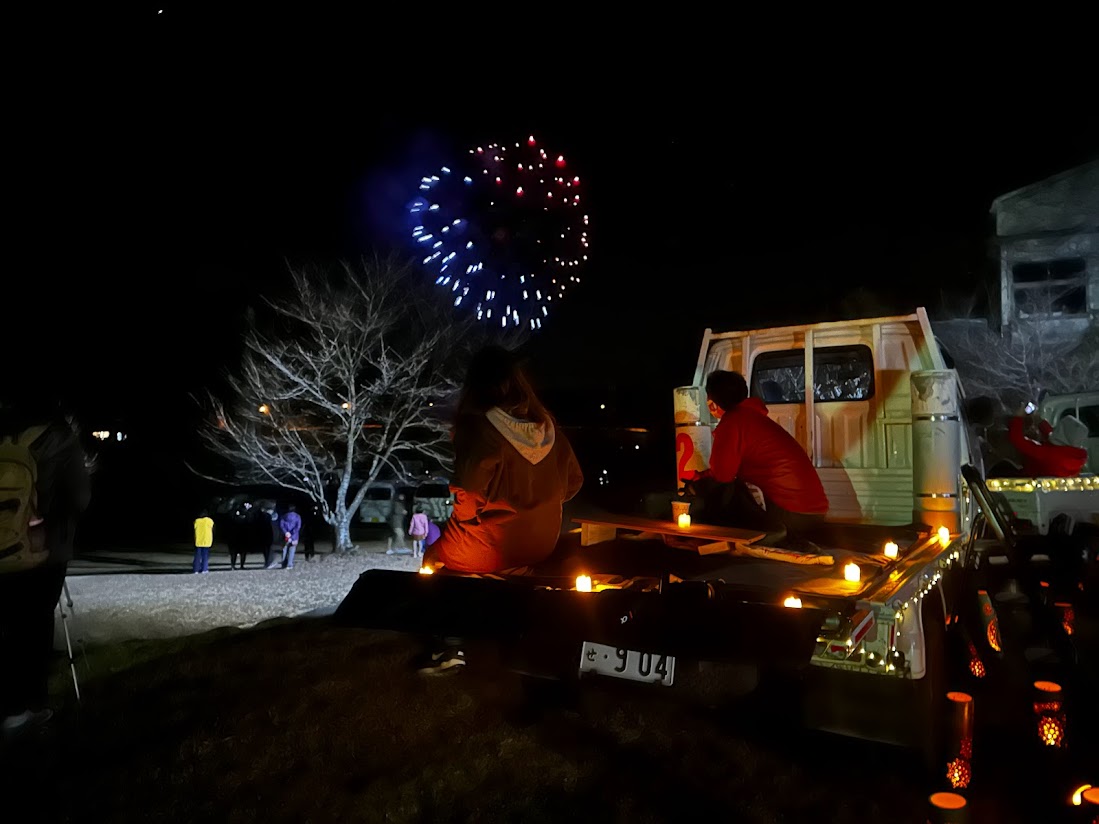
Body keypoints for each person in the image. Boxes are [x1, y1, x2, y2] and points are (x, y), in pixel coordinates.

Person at [419, 345, 583, 673]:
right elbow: (574, 482)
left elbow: (468, 491)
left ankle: (451, 645)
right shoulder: (547, 427)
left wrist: (460, 528)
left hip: (493, 545)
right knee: (507, 566)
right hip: (540, 543)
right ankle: (511, 624)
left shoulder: (480, 427)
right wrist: (539, 507)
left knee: (435, 558)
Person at [0, 401, 91, 740]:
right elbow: (79, 496)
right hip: (43, 550)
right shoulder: (59, 437)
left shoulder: (3, 431)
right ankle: (27, 707)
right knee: (34, 626)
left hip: (2, 548)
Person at [684, 370, 828, 543]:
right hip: (813, 511)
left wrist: (697, 484)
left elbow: (722, 476)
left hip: (794, 514)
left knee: (724, 490)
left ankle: (756, 537)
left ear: (712, 402)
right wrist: (704, 476)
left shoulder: (733, 422)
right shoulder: (753, 417)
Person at [1006, 403, 1088, 478]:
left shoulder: (1051, 455)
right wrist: (1040, 422)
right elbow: (1056, 438)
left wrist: (1018, 417)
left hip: (1030, 478)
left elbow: (1018, 440)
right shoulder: (1076, 456)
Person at [279, 504, 302, 569]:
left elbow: (281, 525)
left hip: (285, 536)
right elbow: (298, 527)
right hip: (294, 536)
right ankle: (289, 564)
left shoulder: (283, 516)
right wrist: (292, 533)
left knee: (284, 549)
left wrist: (286, 532)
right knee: (292, 550)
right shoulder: (297, 517)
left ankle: (284, 563)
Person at [193, 509, 214, 574]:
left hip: (198, 541)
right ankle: (204, 569)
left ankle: (196, 569)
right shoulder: (209, 521)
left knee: (197, 556)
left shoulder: (197, 521)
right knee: (205, 556)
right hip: (206, 540)